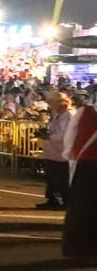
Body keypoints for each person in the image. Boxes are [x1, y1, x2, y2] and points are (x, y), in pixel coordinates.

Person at [63, 94, 97, 259]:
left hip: (86, 165)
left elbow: (70, 139)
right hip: (87, 164)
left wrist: (71, 159)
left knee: (81, 208)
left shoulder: (84, 112)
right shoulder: (83, 112)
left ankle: (77, 248)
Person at [39, 90, 72, 211]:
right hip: (53, 152)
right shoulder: (58, 115)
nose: (51, 105)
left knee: (62, 178)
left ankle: (65, 201)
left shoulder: (68, 116)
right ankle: (52, 199)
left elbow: (64, 135)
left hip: (62, 153)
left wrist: (49, 137)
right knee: (52, 177)